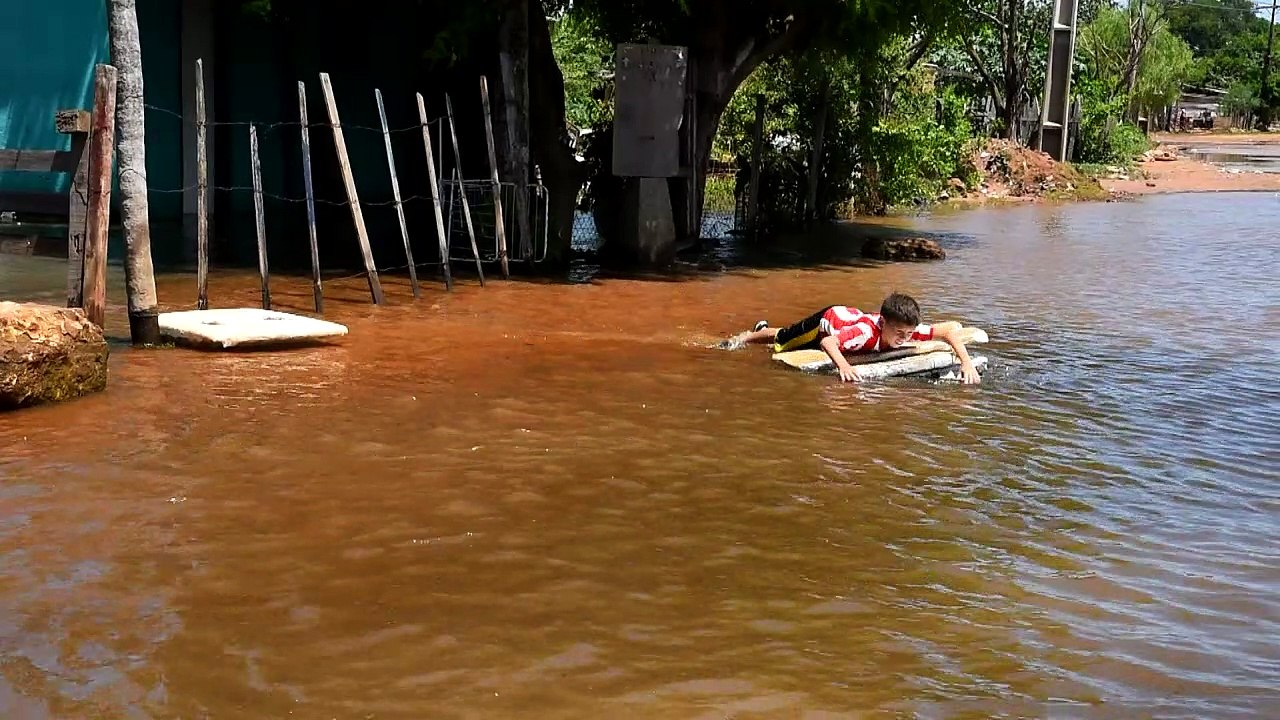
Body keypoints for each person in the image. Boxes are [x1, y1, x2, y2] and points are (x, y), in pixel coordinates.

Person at [724, 292, 982, 384]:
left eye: (908, 334)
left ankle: (762, 327)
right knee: (784, 340)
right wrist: (844, 366)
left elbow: (949, 331)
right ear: (883, 324)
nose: (904, 339)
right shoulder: (865, 334)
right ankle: (748, 336)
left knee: (789, 333)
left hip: (846, 322)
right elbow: (828, 343)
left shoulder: (906, 329)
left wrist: (966, 363)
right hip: (826, 322)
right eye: (899, 334)